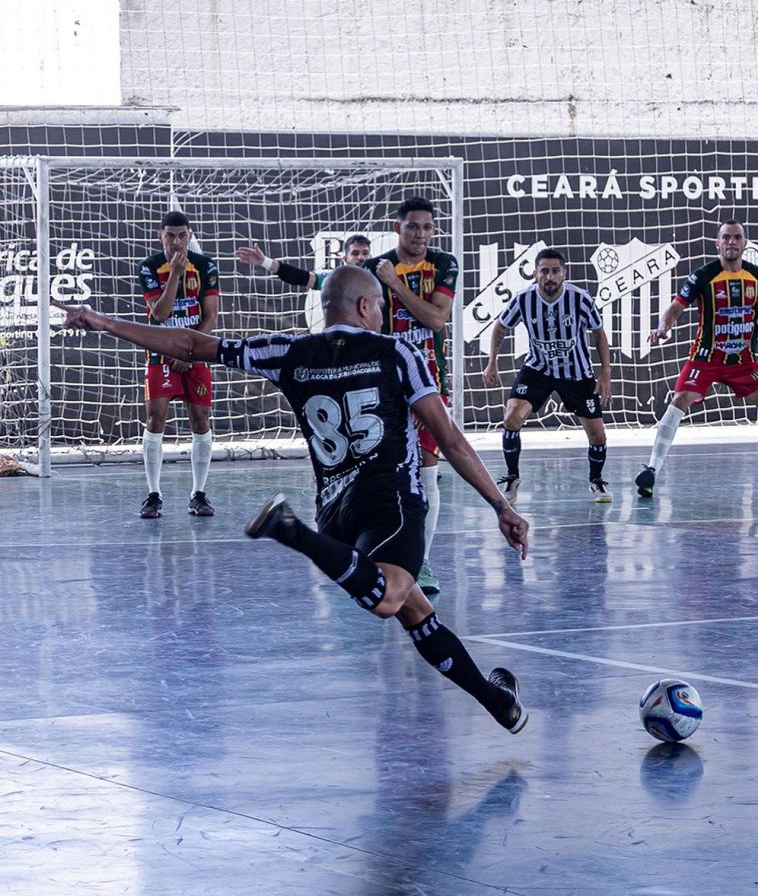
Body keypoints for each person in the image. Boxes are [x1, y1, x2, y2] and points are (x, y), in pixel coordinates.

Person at [54, 266, 530, 733]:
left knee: (417, 614)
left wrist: (103, 321)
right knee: (390, 597)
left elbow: (191, 345)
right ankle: (290, 530)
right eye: (381, 306)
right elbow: (449, 439)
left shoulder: (288, 351)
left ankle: (497, 701)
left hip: (336, 513)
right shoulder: (397, 351)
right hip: (392, 502)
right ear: (365, 306)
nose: (383, 314)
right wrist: (501, 506)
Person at [635, 218, 758, 497]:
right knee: (678, 401)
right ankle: (651, 470)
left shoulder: (757, 277)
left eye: (737, 237)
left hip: (742, 361)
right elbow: (675, 307)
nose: (731, 242)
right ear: (717, 244)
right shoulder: (703, 275)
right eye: (726, 238)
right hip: (705, 358)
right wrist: (663, 327)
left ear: (745, 243)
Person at [364, 197, 458, 596]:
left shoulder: (443, 264)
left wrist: (395, 284)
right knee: (381, 473)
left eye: (427, 227)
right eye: (413, 227)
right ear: (397, 227)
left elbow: (436, 319)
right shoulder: (373, 267)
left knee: (427, 470)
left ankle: (420, 562)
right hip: (383, 384)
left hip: (430, 384)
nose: (421, 234)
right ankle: (376, 552)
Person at [482, 248, 613, 504]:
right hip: (538, 370)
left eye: (555, 271)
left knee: (597, 435)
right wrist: (491, 363)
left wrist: (605, 372)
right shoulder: (524, 299)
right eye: (544, 271)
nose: (549, 276)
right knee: (511, 418)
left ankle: (596, 480)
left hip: (576, 374)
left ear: (564, 273)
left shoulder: (580, 299)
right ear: (535, 273)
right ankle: (512, 477)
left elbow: (599, 333)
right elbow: (500, 326)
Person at [137, 211, 220, 519]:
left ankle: (198, 494)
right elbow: (159, 314)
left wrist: (192, 352)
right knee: (155, 419)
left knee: (200, 420)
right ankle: (153, 495)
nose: (176, 242)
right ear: (161, 237)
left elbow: (210, 315)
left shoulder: (206, 266)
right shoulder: (148, 267)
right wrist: (173, 273)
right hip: (159, 354)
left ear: (190, 236)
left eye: (182, 235)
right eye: (170, 236)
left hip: (195, 354)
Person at [235, 234, 371, 289]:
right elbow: (300, 277)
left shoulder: (380, 278)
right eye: (355, 253)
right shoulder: (335, 279)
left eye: (365, 253)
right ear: (344, 259)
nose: (361, 258)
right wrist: (265, 261)